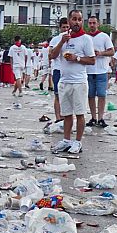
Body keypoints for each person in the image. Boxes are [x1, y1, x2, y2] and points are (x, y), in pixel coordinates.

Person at [49, 10, 96, 154]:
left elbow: (92, 60)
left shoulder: (86, 39)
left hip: (79, 82)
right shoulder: (63, 38)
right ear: (69, 21)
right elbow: (52, 55)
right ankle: (66, 140)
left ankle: (78, 142)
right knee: (67, 113)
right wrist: (62, 42)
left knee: (80, 113)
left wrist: (76, 58)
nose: (77, 22)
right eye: (74, 19)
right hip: (64, 81)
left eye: (79, 19)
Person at [85, 16, 114, 128]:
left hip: (101, 70)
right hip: (88, 70)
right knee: (90, 95)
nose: (92, 25)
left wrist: (101, 53)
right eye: (90, 23)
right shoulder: (85, 37)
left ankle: (101, 117)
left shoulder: (104, 36)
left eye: (94, 23)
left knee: (102, 95)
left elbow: (112, 51)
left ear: (98, 24)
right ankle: (93, 117)